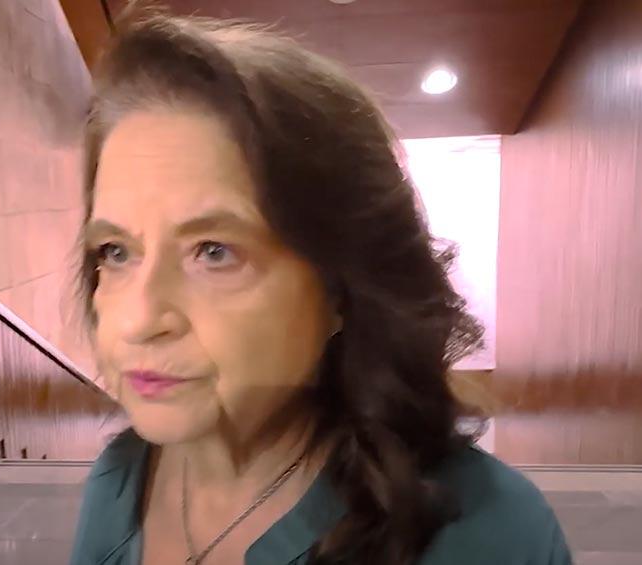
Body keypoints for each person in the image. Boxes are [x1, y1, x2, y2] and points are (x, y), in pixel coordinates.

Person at [69, 7, 571, 565]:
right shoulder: (116, 482)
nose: (137, 319)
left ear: (339, 287)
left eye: (214, 252)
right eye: (115, 252)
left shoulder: (491, 535)